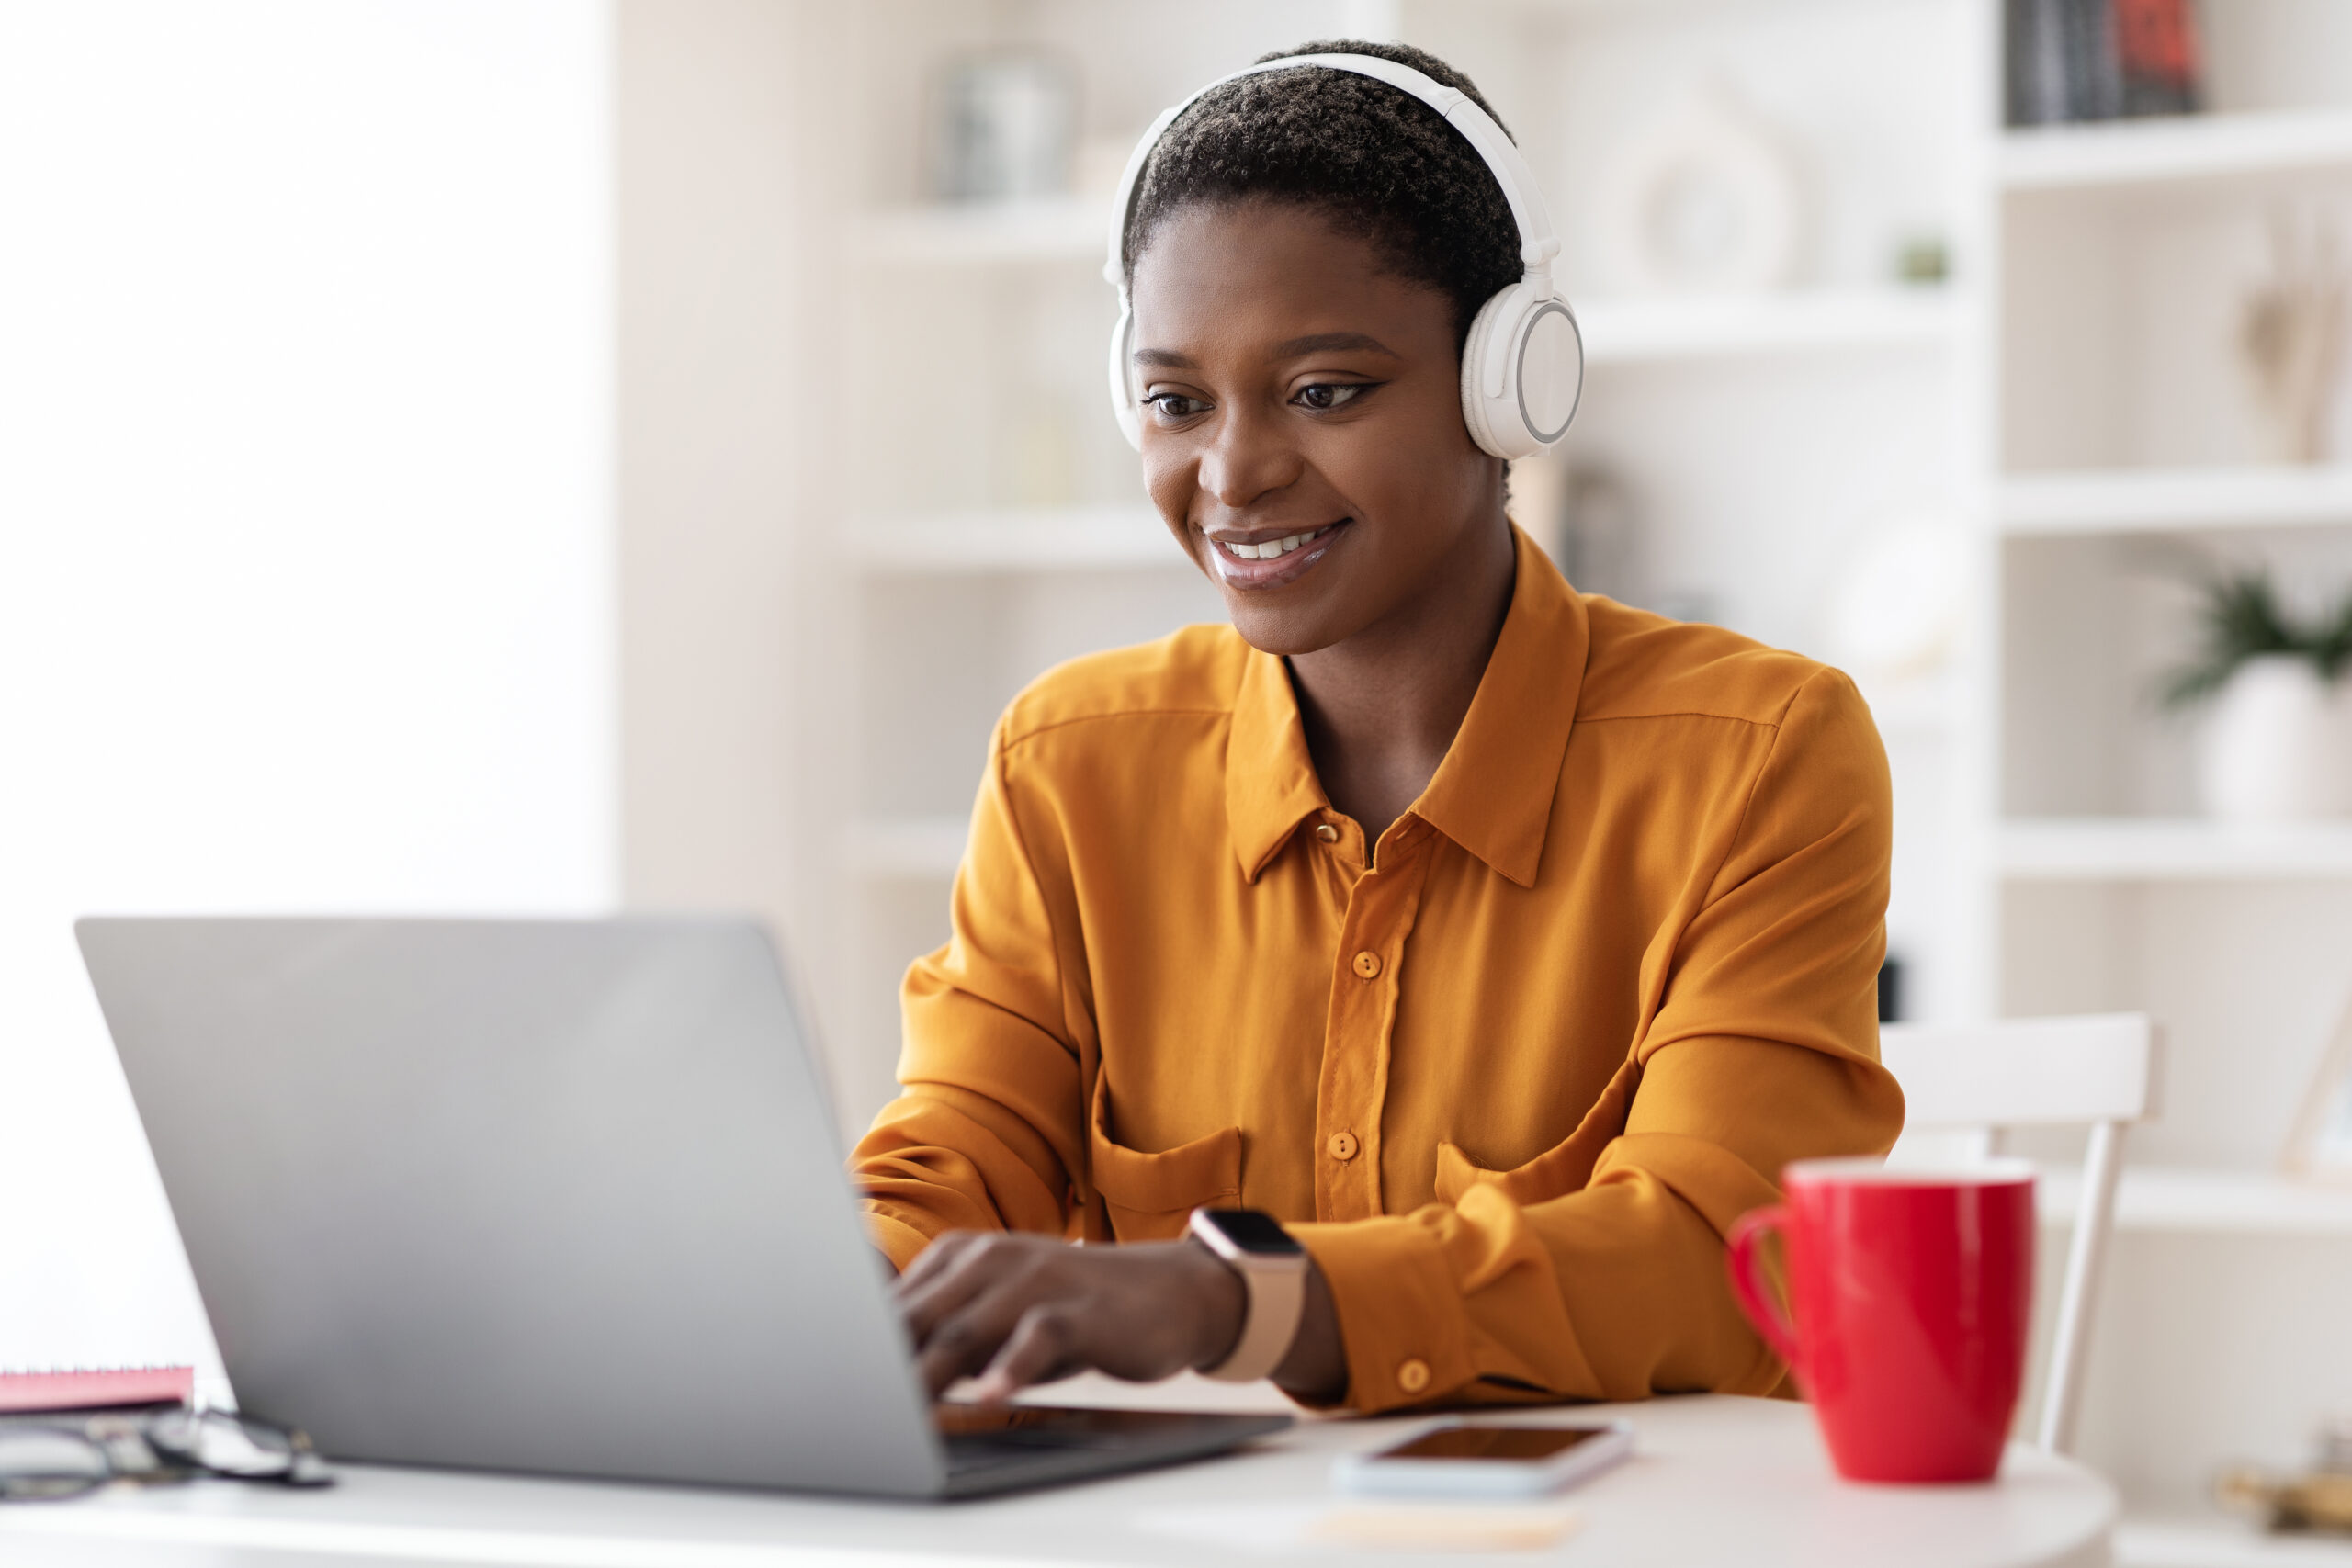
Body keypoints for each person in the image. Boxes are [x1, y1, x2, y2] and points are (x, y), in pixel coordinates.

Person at [853, 39, 1903, 1415]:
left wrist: (1242, 1301)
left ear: (1506, 383)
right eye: (1177, 401)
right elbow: (949, 1159)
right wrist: (841, 1301)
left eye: (1325, 391)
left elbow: (1713, 1256)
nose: (1232, 473)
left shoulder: (1762, 755)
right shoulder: (1070, 764)